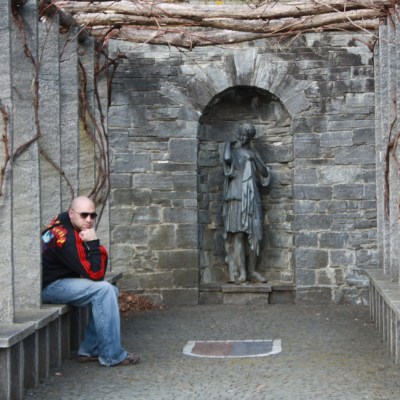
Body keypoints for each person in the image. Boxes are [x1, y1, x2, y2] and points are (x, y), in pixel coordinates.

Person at [41, 196, 141, 367]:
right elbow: (96, 274)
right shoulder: (68, 238)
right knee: (104, 290)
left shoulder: (63, 221)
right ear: (71, 213)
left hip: (57, 280)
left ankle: (90, 349)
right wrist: (94, 243)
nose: (88, 220)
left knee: (111, 290)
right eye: (84, 215)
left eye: (92, 215)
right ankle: (112, 356)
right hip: (50, 287)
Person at [222, 123, 271, 284]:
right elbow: (227, 159)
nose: (242, 138)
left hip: (251, 197)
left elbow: (264, 172)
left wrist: (254, 159)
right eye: (241, 134)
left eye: (245, 135)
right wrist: (228, 145)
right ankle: (242, 272)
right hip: (236, 195)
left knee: (257, 235)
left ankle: (252, 270)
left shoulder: (253, 153)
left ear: (250, 138)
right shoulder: (234, 152)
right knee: (238, 235)